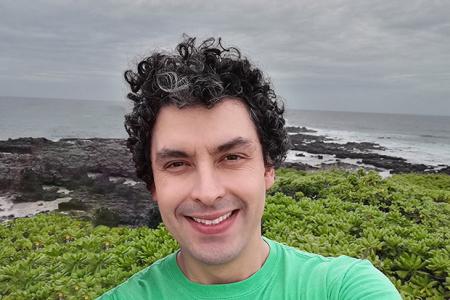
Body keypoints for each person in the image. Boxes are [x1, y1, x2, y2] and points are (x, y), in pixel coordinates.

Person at [98, 36, 401, 299]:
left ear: (268, 168)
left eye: (231, 158)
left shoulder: (345, 287)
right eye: (177, 164)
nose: (208, 192)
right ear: (153, 184)